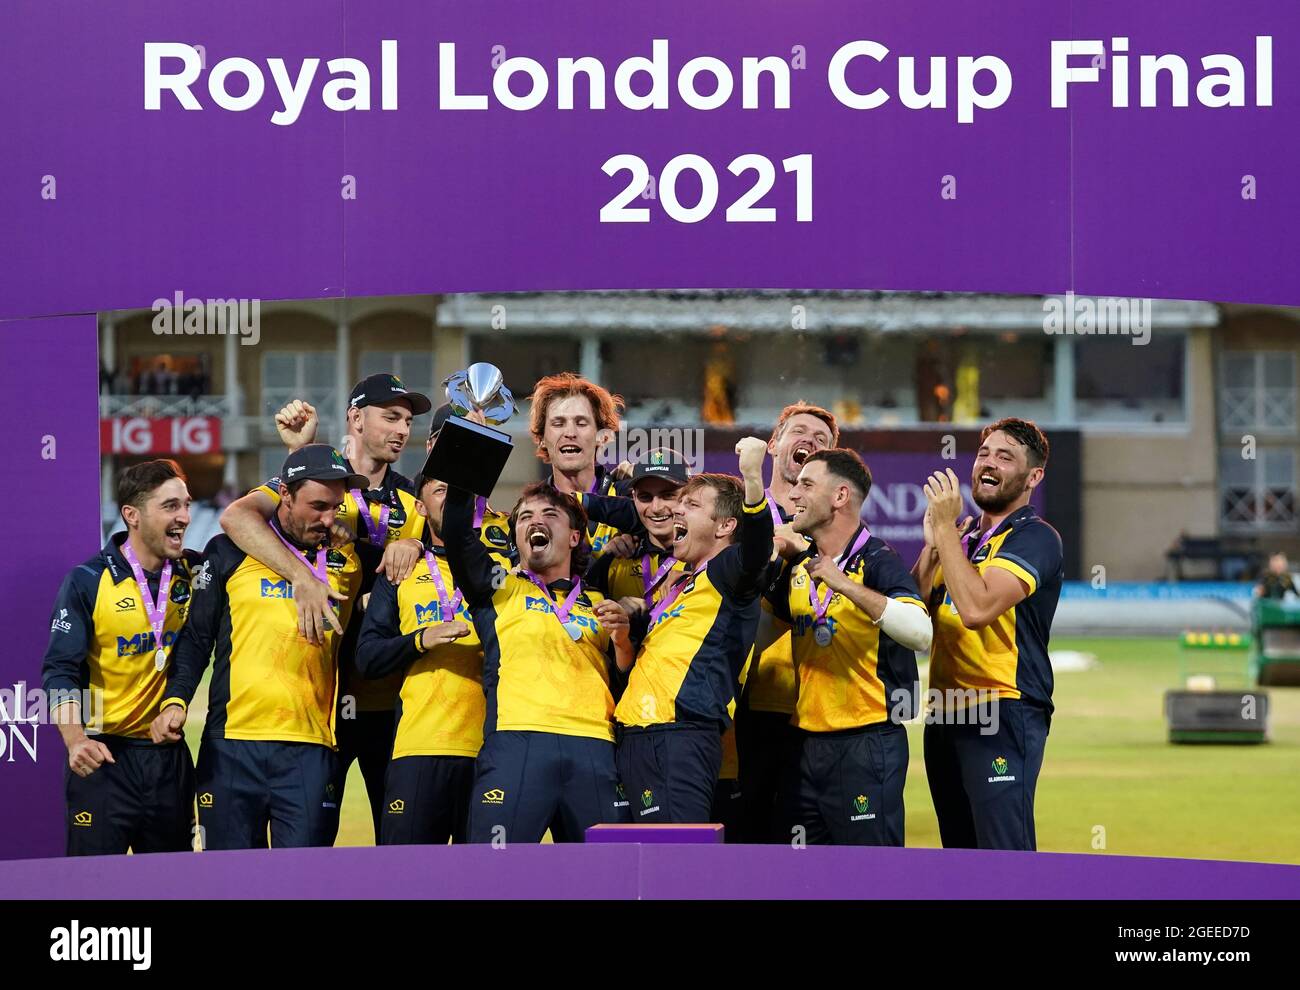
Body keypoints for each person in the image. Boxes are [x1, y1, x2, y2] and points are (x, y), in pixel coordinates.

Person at [218, 374, 431, 841]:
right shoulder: (319, 479)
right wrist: (300, 453)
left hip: (388, 698)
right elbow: (241, 516)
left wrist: (418, 543)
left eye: (408, 422)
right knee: (312, 843)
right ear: (355, 417)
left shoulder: (415, 503)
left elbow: (447, 565)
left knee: (398, 842)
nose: (402, 430)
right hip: (321, 703)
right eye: (390, 417)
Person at [153, 445, 378, 849]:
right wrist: (175, 701)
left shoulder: (350, 558)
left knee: (305, 887)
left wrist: (407, 547)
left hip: (312, 750)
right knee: (233, 885)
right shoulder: (229, 551)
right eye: (318, 505)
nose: (328, 518)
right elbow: (197, 639)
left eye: (336, 507)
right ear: (285, 496)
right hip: (232, 745)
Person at [443, 480, 635, 842]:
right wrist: (468, 453)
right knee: (494, 876)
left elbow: (623, 676)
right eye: (525, 517)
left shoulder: (598, 598)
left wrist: (623, 640)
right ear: (516, 537)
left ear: (575, 537)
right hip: (518, 741)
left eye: (550, 515)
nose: (535, 521)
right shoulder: (497, 586)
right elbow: (456, 531)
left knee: (606, 879)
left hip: (594, 744)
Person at [767, 449, 931, 845]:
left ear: (840, 496)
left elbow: (921, 633)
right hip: (804, 744)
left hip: (866, 742)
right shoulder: (800, 566)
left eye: (807, 484)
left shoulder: (878, 561)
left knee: (869, 875)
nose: (794, 495)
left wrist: (844, 584)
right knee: (804, 875)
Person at [916, 418, 1063, 851]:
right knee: (960, 854)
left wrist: (944, 532)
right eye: (984, 453)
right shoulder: (963, 539)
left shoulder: (1036, 538)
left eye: (1005, 456)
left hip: (1002, 709)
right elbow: (912, 619)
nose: (989, 462)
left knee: (1003, 854)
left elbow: (977, 609)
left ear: (1033, 476)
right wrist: (933, 548)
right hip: (945, 710)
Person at [42, 460, 200, 855]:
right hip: (103, 758)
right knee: (91, 888)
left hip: (168, 759)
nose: (184, 516)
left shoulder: (194, 574)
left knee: (172, 886)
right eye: (170, 506)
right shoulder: (88, 581)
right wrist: (75, 739)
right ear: (132, 515)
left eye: (186, 504)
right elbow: (59, 670)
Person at [613, 438, 774, 824]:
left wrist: (753, 478)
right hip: (637, 733)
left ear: (725, 526)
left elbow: (756, 549)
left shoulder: (730, 572)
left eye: (691, 505)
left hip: (680, 735)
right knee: (639, 862)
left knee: (678, 861)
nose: (675, 511)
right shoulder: (685, 581)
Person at [355, 472, 491, 844]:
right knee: (406, 884)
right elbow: (367, 658)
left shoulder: (503, 571)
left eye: (463, 492)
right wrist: (419, 641)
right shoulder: (400, 571)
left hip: (490, 753)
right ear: (419, 505)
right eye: (442, 490)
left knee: (482, 885)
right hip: (417, 748)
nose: (453, 499)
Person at [737, 402, 839, 842]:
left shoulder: (838, 534)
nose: (810, 443)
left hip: (810, 713)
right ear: (774, 443)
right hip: (741, 706)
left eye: (822, 442)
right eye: (800, 432)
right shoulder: (737, 509)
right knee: (742, 838)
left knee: (801, 849)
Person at [529, 372, 631, 556]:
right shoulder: (529, 511)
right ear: (542, 438)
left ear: (602, 436)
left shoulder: (630, 496)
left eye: (581, 423)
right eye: (558, 423)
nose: (570, 432)